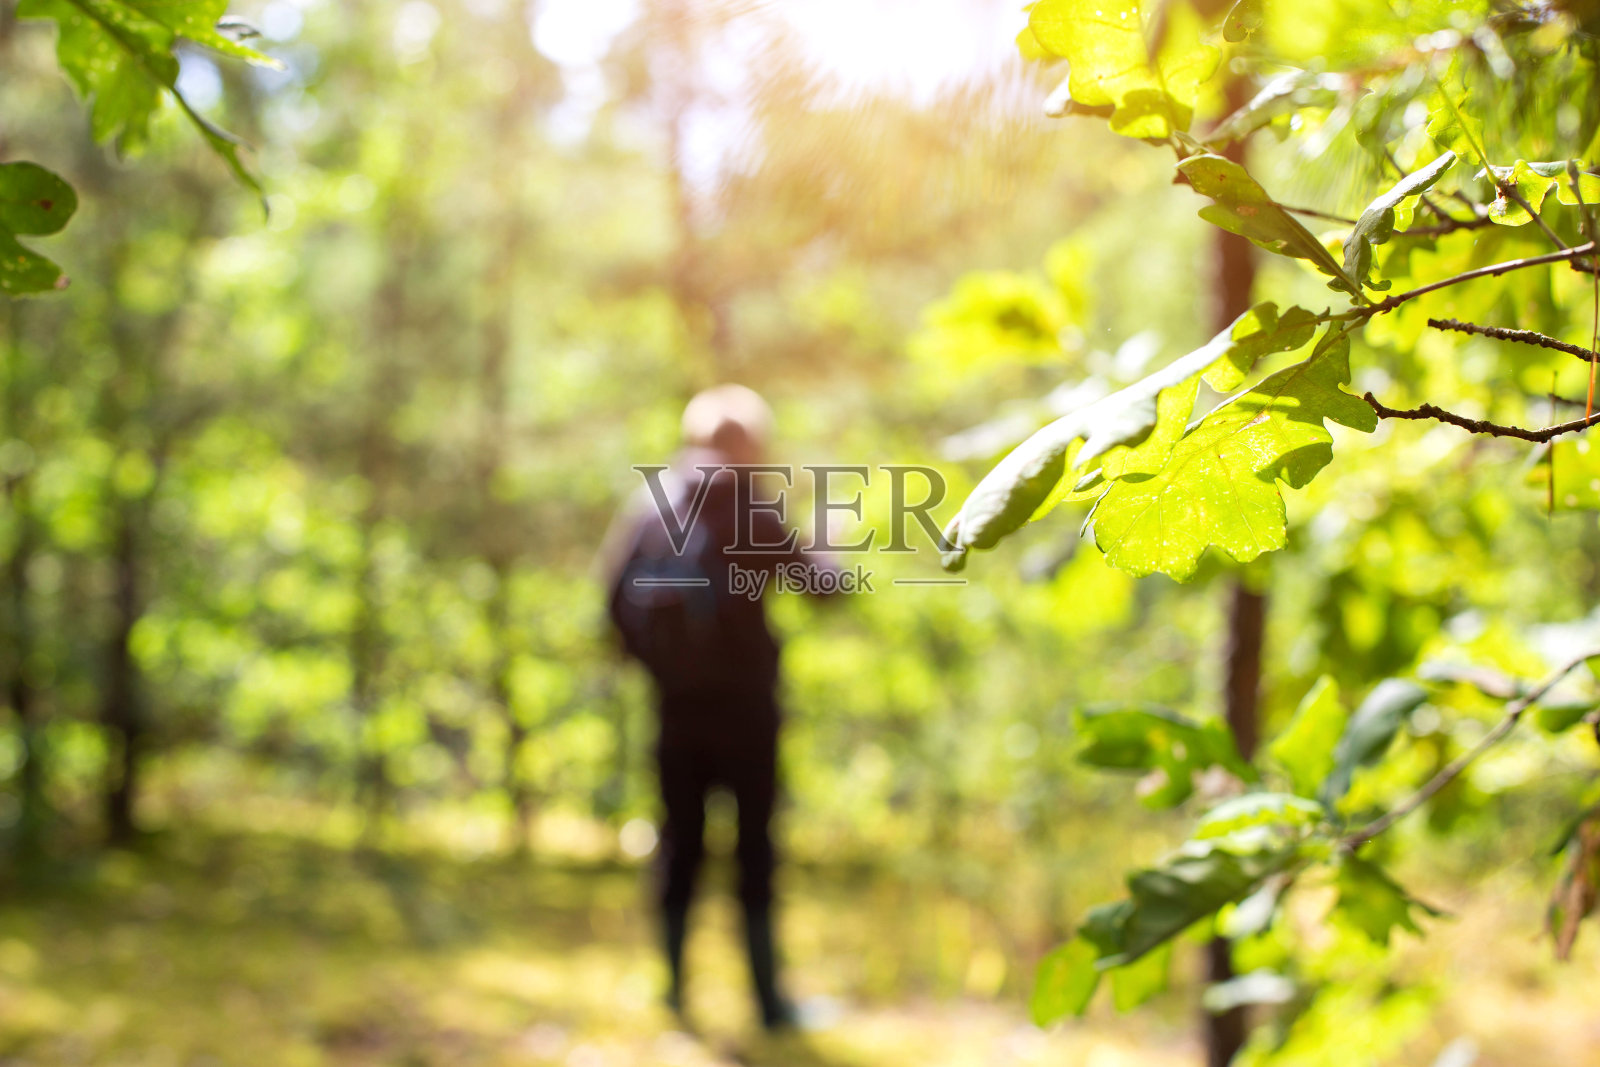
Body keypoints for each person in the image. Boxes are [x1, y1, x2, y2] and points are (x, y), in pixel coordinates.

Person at [602, 384, 831, 1031]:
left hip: (674, 710)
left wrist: (660, 671)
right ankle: (768, 1002)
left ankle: (674, 993)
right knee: (754, 847)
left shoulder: (651, 507)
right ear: (752, 444)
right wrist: (829, 544)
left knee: (681, 843)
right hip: (749, 711)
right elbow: (823, 589)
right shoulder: (751, 509)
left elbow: (611, 602)